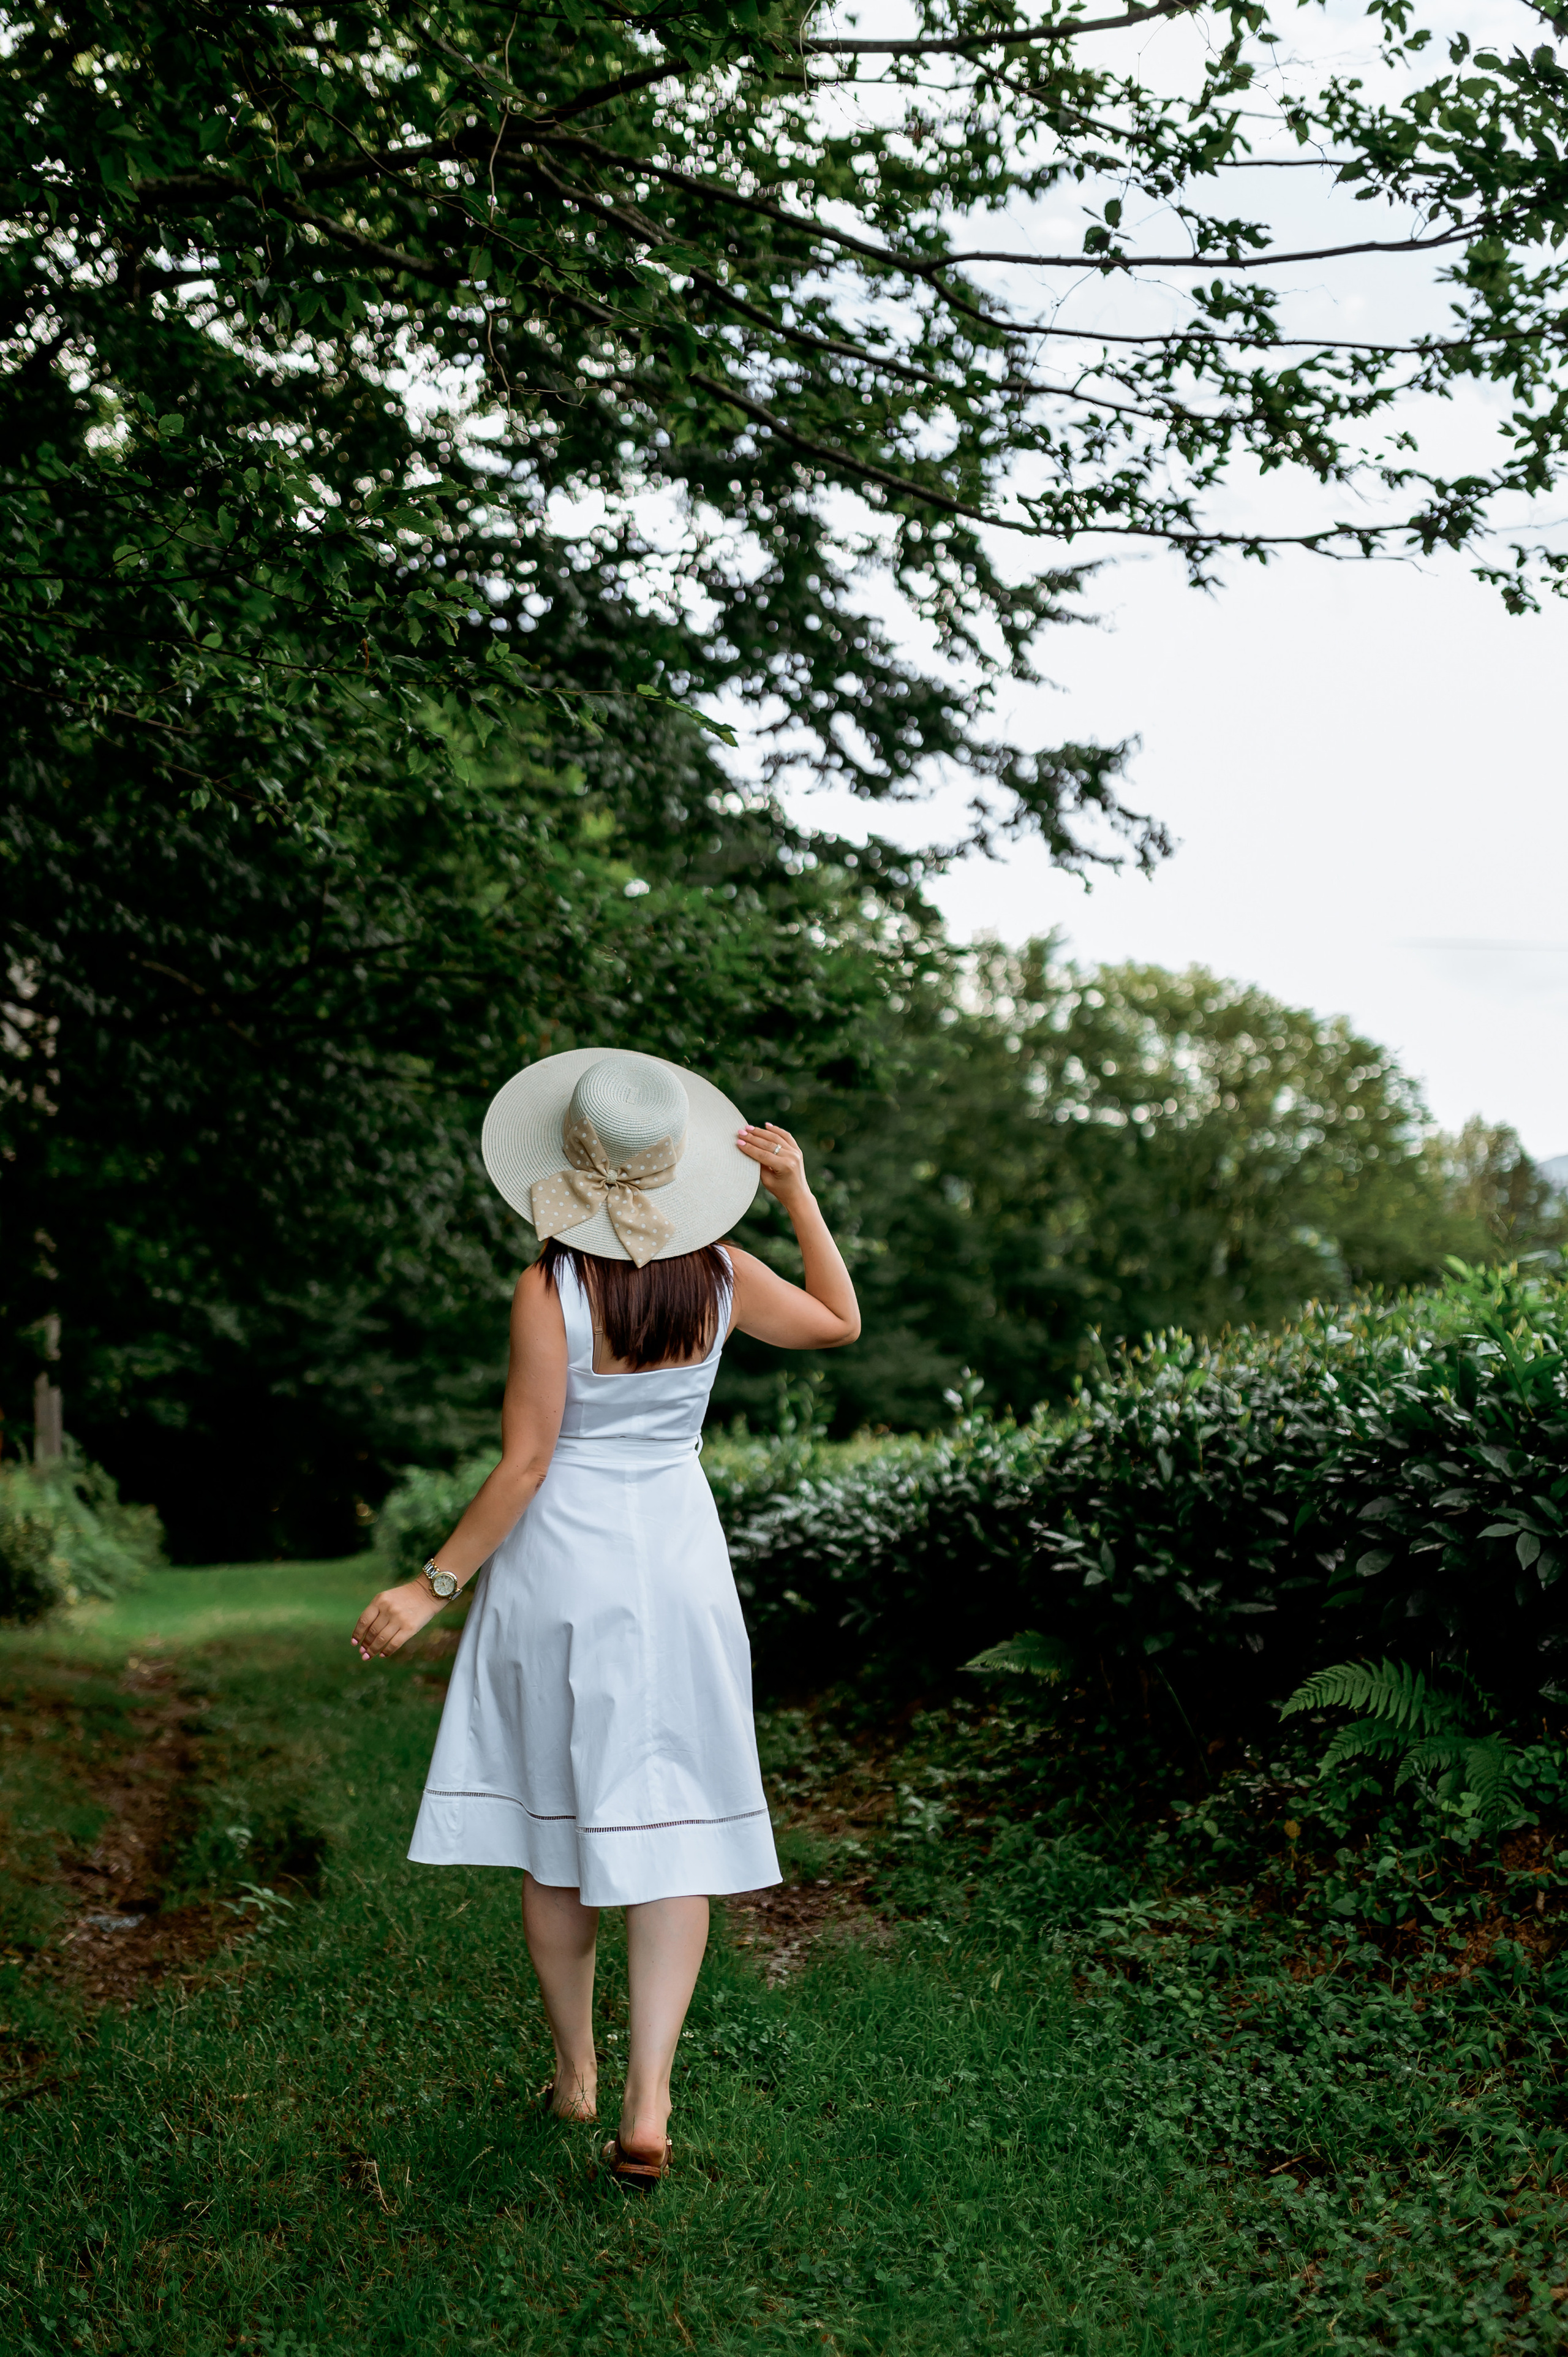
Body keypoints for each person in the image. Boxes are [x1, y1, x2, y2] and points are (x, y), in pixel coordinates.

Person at [350, 1048, 859, 2188]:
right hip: (676, 1561)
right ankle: (649, 2098)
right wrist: (796, 1193)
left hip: (560, 1569)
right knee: (670, 1811)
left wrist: (429, 1586)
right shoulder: (721, 1274)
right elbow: (837, 1321)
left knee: (558, 1818)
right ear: (676, 1169)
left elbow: (526, 1465)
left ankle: (576, 2073)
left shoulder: (550, 1288)